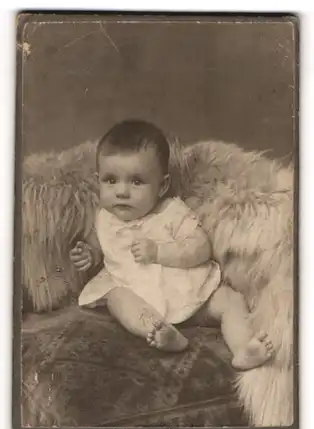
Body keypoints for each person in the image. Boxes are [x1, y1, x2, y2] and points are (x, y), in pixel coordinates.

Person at [70, 119, 274, 370]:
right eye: (111, 180)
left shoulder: (173, 211)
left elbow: (200, 248)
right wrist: (88, 255)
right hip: (137, 292)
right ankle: (159, 330)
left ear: (162, 186)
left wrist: (160, 252)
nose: (121, 191)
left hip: (188, 291)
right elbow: (97, 246)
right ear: (98, 180)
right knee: (116, 298)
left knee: (229, 299)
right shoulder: (103, 219)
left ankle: (244, 348)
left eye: (136, 182)